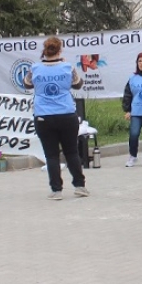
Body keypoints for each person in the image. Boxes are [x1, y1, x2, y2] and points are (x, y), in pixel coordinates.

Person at [24, 36, 88, 199]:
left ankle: (56, 190)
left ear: (44, 51)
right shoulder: (67, 67)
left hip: (43, 116)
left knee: (51, 155)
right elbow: (78, 84)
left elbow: (27, 84)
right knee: (71, 152)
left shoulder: (35, 68)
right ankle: (80, 186)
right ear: (60, 50)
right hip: (66, 114)